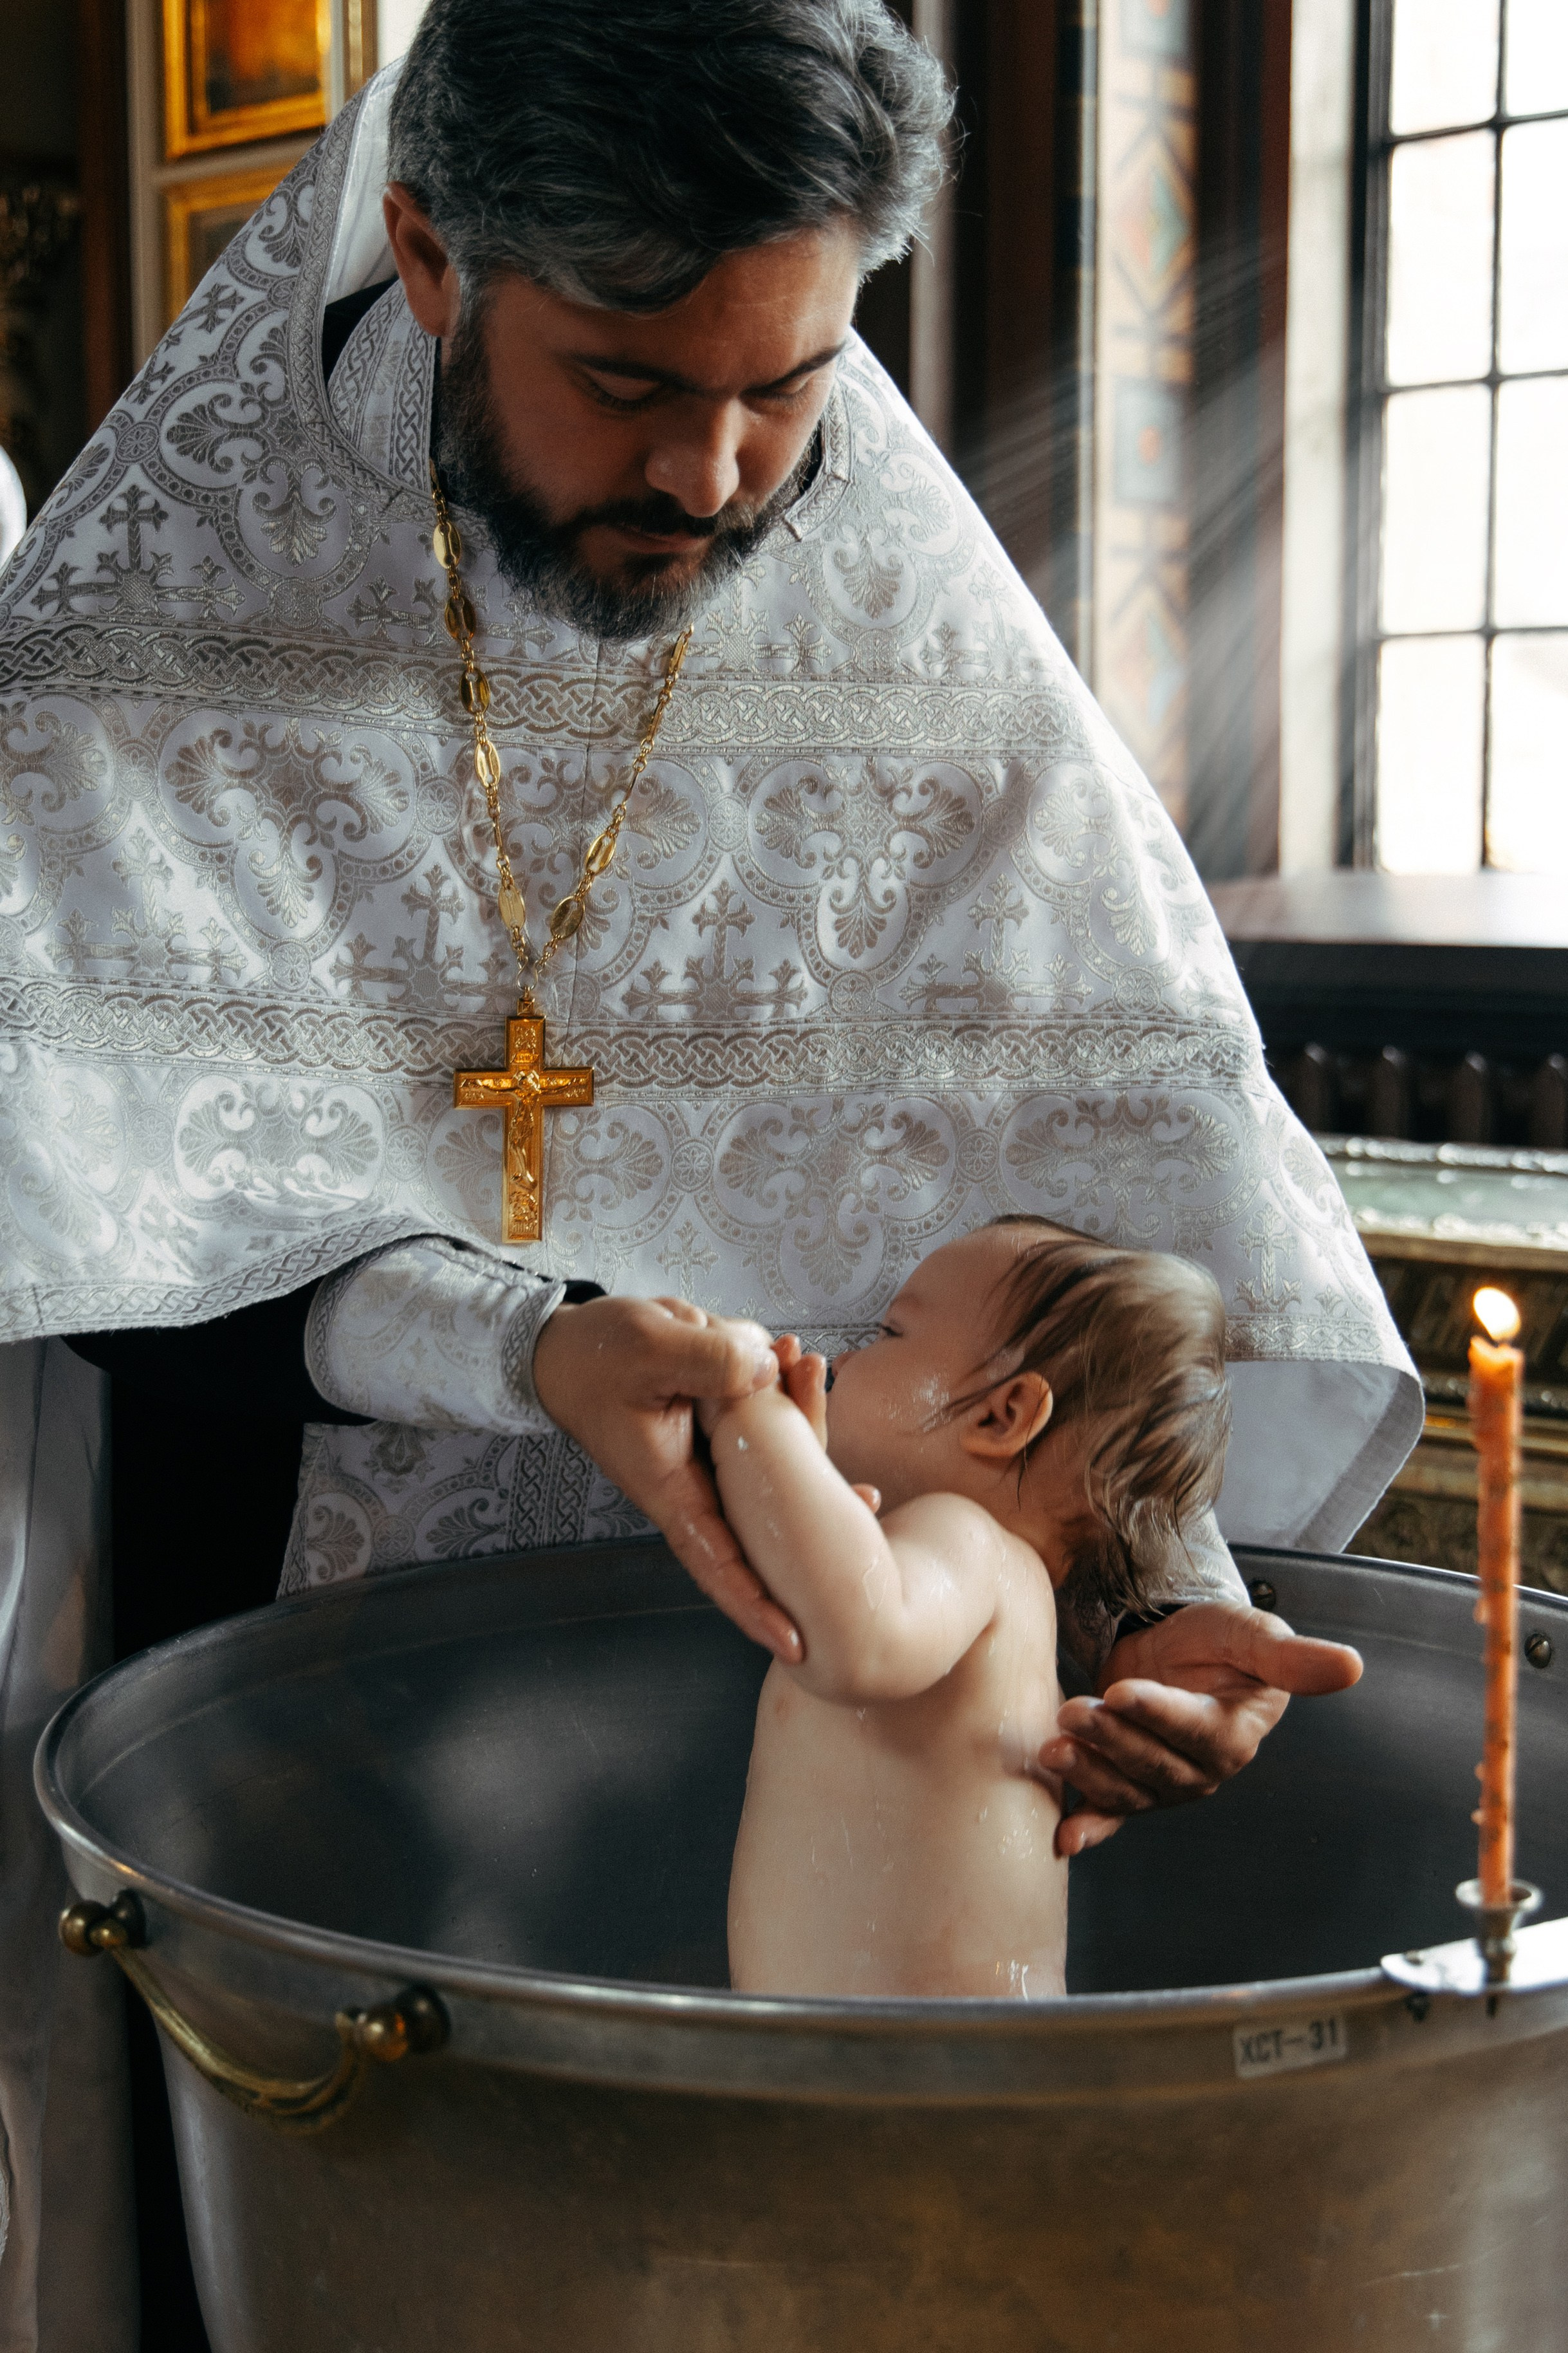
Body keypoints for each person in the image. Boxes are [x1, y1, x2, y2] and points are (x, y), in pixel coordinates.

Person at [0, 2, 1419, 2339]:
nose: (720, 471)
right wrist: (515, 1338)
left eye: (789, 381)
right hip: (283, 1684)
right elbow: (102, 1205)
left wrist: (1148, 1582)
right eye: (636, 386)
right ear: (438, 256)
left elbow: (1104, 1163)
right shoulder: (146, 608)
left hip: (795, 1751)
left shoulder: (874, 550)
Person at [706, 1218, 1363, 1998]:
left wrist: (752, 1427)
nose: (843, 1356)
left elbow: (853, 1640)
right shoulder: (1016, 1597)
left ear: (1002, 1415)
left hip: (905, 2071)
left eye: (888, 1332)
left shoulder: (960, 1540)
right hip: (948, 2062)